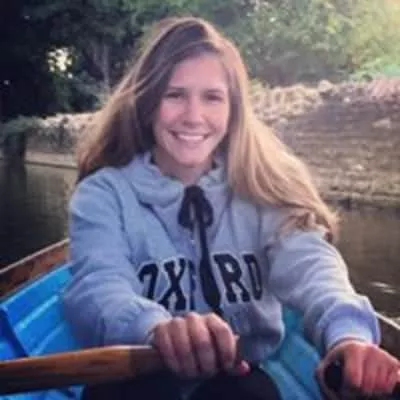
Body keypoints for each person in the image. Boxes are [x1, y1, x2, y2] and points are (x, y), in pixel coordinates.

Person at [62, 16, 400, 400]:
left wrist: (348, 334)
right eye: (175, 95)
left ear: (233, 110)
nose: (193, 116)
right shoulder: (103, 194)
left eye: (212, 97)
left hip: (240, 375)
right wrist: (154, 328)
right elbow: (99, 284)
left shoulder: (266, 184)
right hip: (139, 374)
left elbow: (313, 267)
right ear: (148, 103)